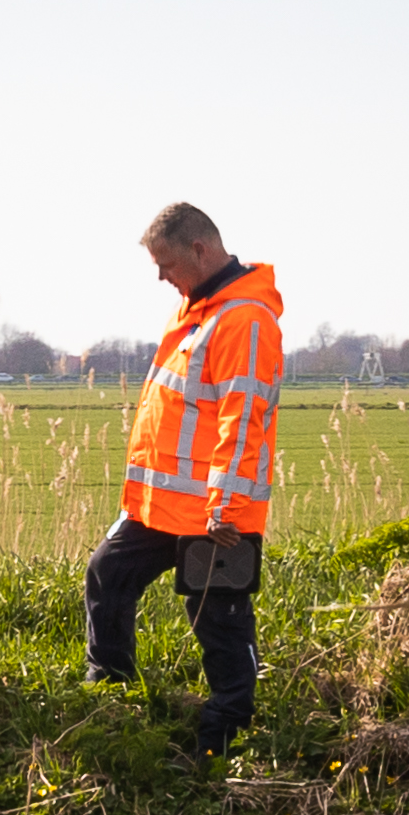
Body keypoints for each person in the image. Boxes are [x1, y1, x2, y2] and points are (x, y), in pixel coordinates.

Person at [88, 204, 283, 755]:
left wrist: (224, 507)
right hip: (161, 508)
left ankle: (224, 736)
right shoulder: (198, 310)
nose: (160, 276)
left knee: (218, 622)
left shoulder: (243, 319)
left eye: (165, 263)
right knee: (107, 574)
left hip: (216, 515)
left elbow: (242, 418)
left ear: (200, 250)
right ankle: (110, 697)